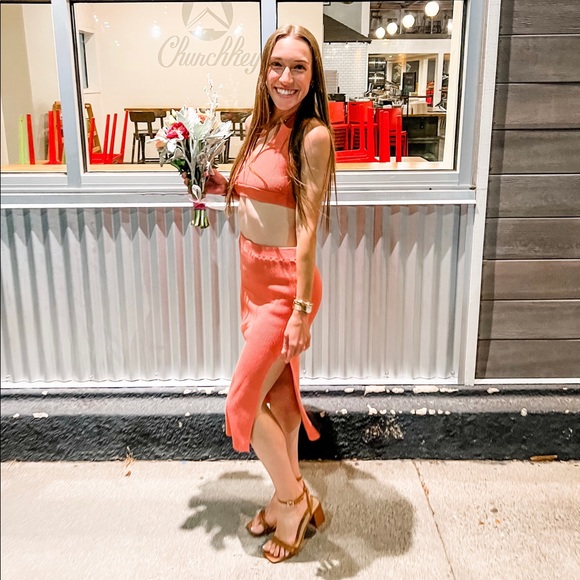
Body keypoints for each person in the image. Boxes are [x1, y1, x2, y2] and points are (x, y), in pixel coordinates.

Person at [185, 24, 335, 563]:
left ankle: (294, 501)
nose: (285, 77)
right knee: (281, 402)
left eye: (298, 67)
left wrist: (300, 311)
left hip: (287, 286)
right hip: (252, 278)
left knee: (241, 406)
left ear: (312, 76)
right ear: (265, 71)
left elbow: (307, 227)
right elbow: (262, 190)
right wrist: (220, 184)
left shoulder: (312, 136)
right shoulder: (262, 124)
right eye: (277, 65)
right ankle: (283, 496)